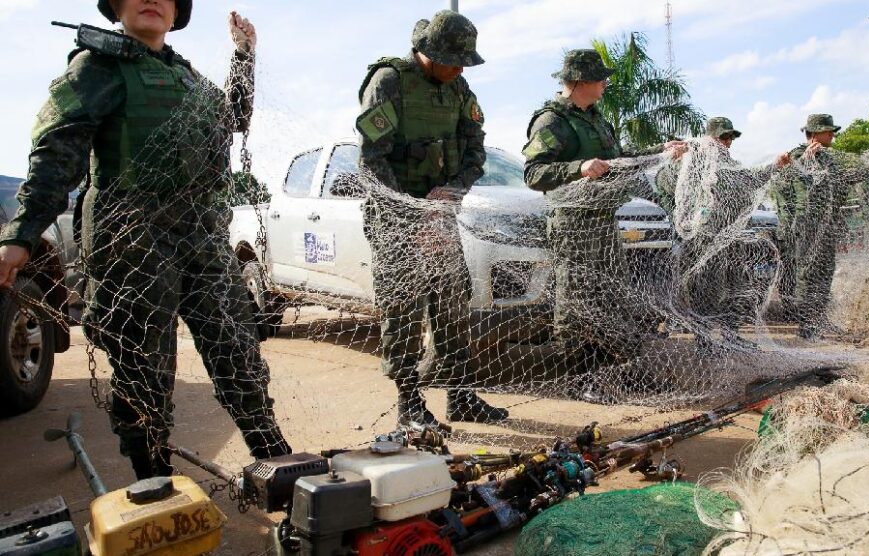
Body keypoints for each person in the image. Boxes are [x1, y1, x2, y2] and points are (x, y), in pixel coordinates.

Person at [0, 0, 291, 479]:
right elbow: (57, 154)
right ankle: (153, 477)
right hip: (131, 240)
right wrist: (21, 234)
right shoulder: (96, 68)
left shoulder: (186, 77)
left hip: (200, 234)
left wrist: (244, 55)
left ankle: (277, 459)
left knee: (238, 351)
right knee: (143, 371)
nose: (152, 0)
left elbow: (232, 118)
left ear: (177, 13)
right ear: (116, 6)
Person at [357, 10, 508, 426]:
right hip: (397, 218)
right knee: (403, 309)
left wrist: (453, 191)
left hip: (440, 215)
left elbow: (476, 152)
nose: (461, 68)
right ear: (428, 52)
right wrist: (413, 212)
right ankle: (409, 406)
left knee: (452, 305)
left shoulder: (459, 88)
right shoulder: (389, 82)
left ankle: (461, 395)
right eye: (453, 59)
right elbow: (371, 160)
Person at [522, 49, 685, 378]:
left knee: (611, 296)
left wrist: (660, 152)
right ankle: (579, 377)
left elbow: (620, 160)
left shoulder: (597, 119)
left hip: (604, 221)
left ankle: (610, 371)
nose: (606, 84)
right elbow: (534, 174)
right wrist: (578, 167)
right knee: (577, 302)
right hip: (573, 226)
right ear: (580, 81)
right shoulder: (552, 121)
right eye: (601, 78)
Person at [677, 117, 791, 350]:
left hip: (730, 237)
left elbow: (749, 180)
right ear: (710, 138)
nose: (728, 142)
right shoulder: (694, 161)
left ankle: (731, 335)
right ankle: (705, 341)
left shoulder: (730, 163)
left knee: (734, 287)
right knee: (705, 290)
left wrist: (775, 166)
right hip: (705, 239)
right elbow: (674, 187)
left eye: (731, 137)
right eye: (723, 137)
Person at [771, 114, 869, 339]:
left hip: (826, 224)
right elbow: (788, 180)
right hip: (806, 224)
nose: (833, 135)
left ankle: (819, 320)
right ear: (815, 132)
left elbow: (844, 178)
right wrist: (805, 162)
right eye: (828, 131)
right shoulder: (798, 155)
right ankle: (806, 326)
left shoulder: (828, 159)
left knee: (824, 274)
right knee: (807, 275)